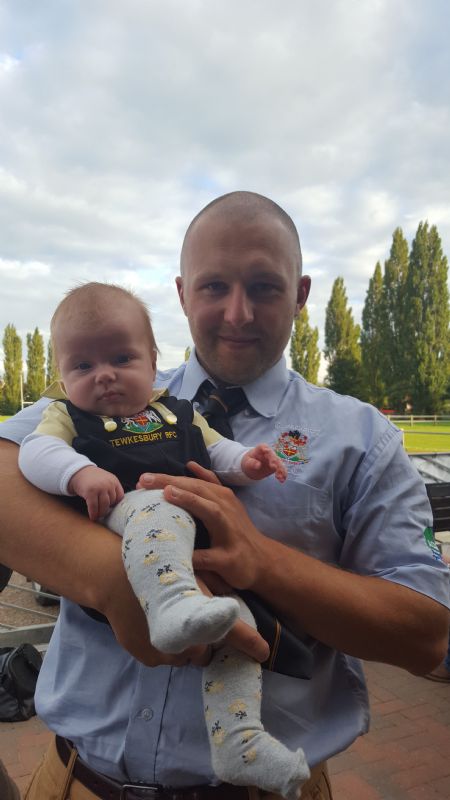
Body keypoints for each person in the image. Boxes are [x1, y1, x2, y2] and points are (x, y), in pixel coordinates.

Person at [0, 190, 449, 800]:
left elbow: (427, 631)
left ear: (302, 293)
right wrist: (111, 578)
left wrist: (265, 563)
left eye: (264, 286)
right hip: (75, 780)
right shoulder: (103, 389)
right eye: (214, 287)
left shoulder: (363, 438)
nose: (237, 313)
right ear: (183, 293)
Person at [18, 282, 308, 799]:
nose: (103, 374)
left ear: (153, 362)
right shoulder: (67, 415)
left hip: (183, 538)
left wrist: (250, 462)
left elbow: (218, 453)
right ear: (61, 377)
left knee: (235, 627)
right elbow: (34, 453)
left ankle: (239, 739)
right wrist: (79, 475)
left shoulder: (178, 411)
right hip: (124, 513)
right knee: (158, 504)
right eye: (81, 366)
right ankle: (172, 605)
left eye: (121, 357)